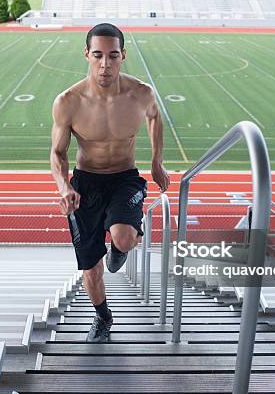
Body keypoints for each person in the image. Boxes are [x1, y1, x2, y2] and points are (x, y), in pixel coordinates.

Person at [50, 23, 170, 343]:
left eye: (113, 56)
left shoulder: (140, 94)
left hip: (124, 179)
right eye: (98, 55)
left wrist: (156, 162)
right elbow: (57, 153)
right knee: (91, 271)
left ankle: (119, 248)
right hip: (85, 184)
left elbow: (155, 119)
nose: (105, 64)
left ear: (123, 56)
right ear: (87, 54)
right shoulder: (68, 101)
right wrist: (65, 187)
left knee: (125, 237)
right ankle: (103, 318)